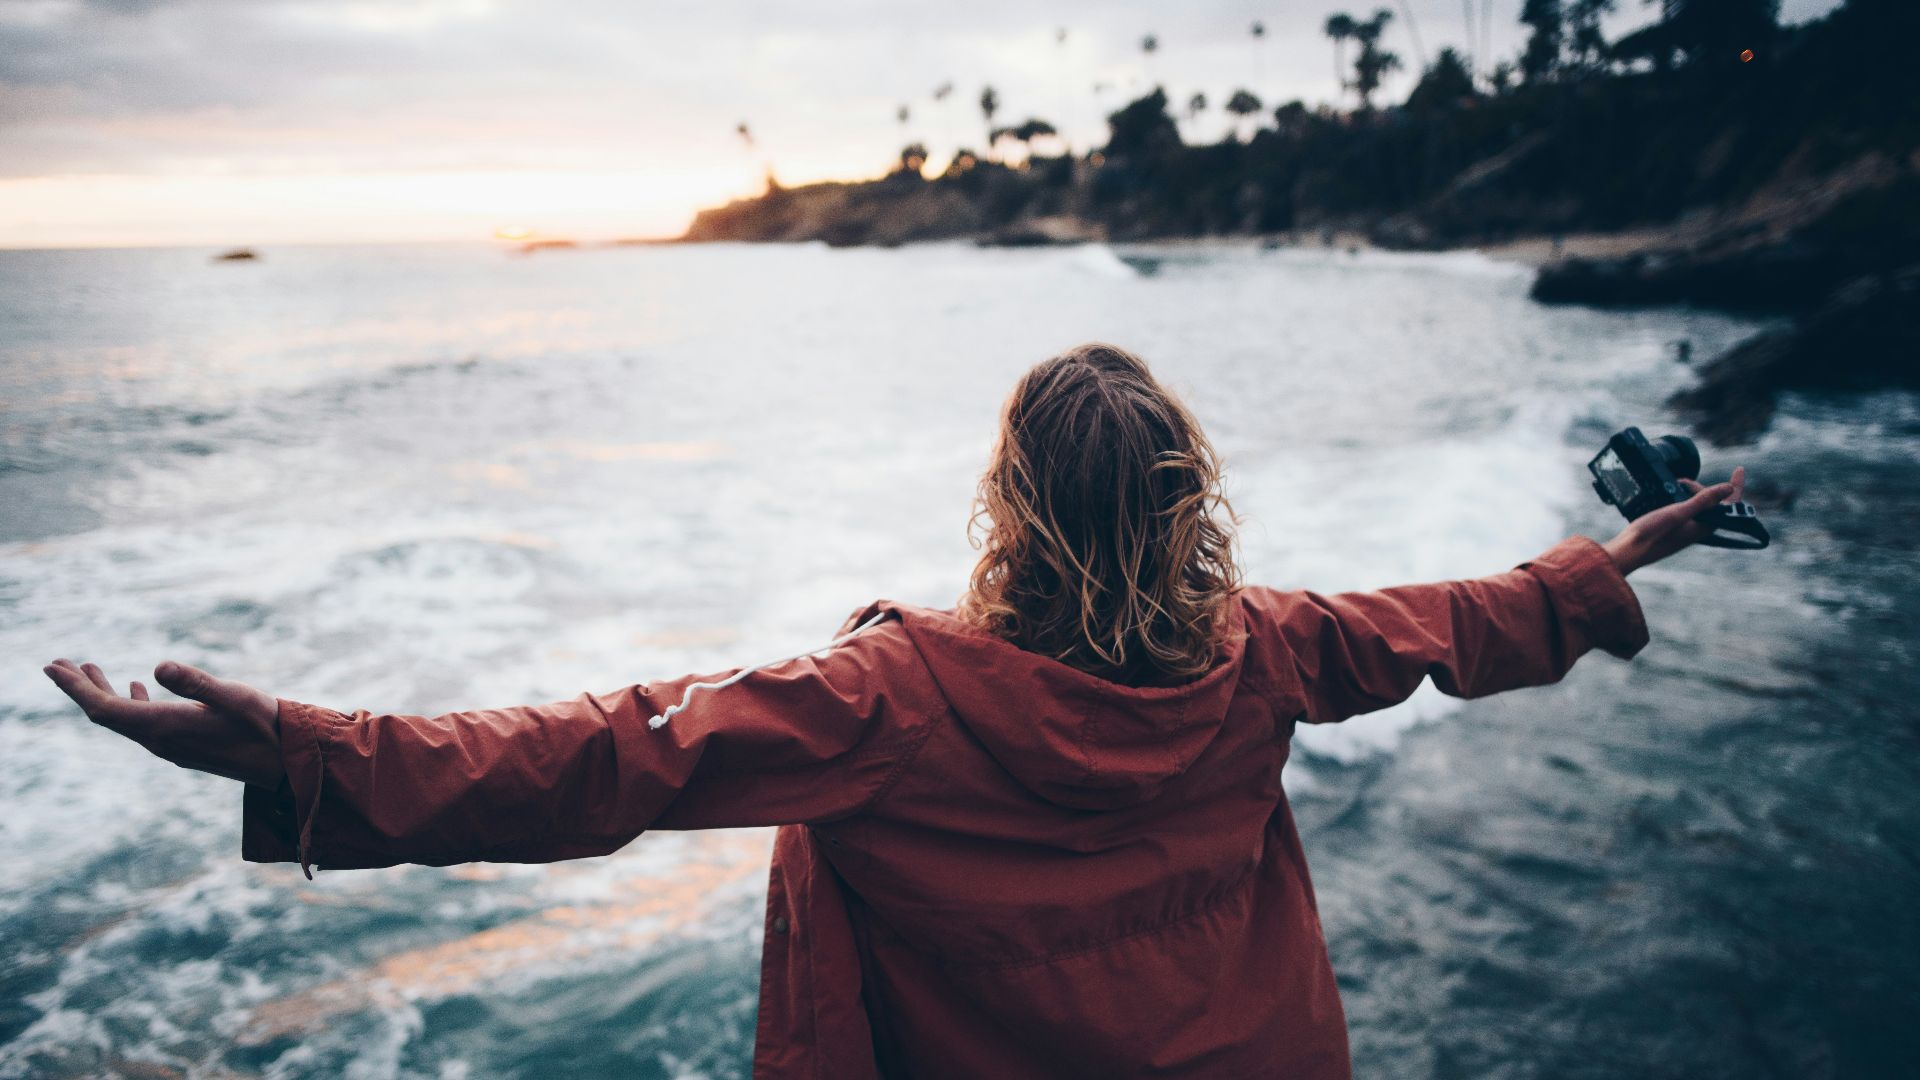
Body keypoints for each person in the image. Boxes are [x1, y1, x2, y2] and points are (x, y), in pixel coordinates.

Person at [43, 343, 1747, 1079]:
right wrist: (1622, 556)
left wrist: (304, 751)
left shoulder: (891, 700)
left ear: (1008, 503)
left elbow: (599, 759)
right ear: (1183, 504)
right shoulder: (1269, 650)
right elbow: (1457, 621)